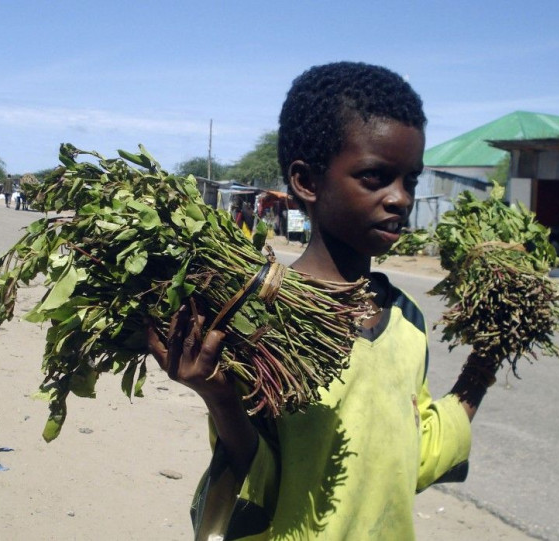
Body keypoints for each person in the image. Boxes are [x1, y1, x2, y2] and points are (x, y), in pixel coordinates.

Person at [147, 61, 499, 540]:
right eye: (376, 177)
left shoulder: (407, 321)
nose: (400, 199)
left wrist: (484, 367)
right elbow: (259, 488)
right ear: (307, 182)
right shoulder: (261, 318)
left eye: (410, 180)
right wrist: (218, 396)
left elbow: (408, 459)